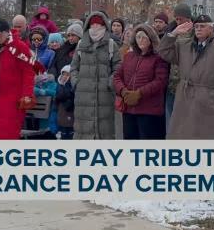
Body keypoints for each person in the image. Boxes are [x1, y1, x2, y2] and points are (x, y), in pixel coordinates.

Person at [158, 14, 214, 139]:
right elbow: (163, 52)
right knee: (182, 137)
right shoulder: (184, 45)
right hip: (185, 99)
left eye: (202, 26)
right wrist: (173, 34)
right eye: (196, 26)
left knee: (207, 139)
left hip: (209, 100)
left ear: (211, 29)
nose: (198, 29)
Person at [0, 20, 39, 140]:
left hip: (12, 99)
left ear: (7, 32)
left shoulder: (19, 47)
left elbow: (28, 73)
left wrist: (27, 94)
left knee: (7, 134)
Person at [70, 12, 121, 140]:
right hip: (83, 95)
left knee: (105, 131)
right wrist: (76, 82)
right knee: (83, 131)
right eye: (93, 24)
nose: (96, 27)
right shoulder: (81, 44)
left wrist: (110, 83)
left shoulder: (111, 44)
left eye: (99, 24)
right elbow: (74, 67)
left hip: (105, 95)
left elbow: (118, 67)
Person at [113, 24, 169, 140]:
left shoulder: (158, 58)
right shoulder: (128, 56)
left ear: (151, 39)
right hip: (129, 109)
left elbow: (160, 81)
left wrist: (139, 93)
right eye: (138, 37)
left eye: (144, 37)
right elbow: (117, 76)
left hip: (149, 110)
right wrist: (123, 91)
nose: (141, 40)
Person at [54, 65, 75, 140]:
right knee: (62, 127)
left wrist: (63, 85)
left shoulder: (70, 85)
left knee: (69, 129)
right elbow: (57, 96)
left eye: (67, 74)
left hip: (69, 110)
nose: (65, 76)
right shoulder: (60, 84)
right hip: (61, 110)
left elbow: (64, 95)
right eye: (63, 74)